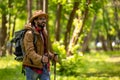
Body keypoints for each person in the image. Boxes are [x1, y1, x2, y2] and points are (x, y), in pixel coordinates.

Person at [22, 10, 58, 80]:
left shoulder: (44, 32)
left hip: (44, 66)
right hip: (31, 66)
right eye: (41, 19)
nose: (43, 21)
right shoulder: (29, 33)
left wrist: (52, 56)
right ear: (35, 21)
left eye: (44, 19)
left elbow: (45, 50)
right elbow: (29, 52)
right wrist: (41, 59)